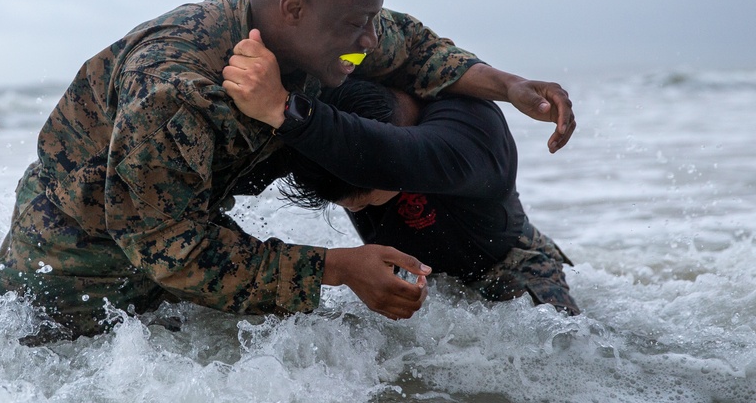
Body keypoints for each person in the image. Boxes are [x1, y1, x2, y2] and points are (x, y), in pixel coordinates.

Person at [0, 0, 576, 340]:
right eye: (357, 25)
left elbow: (412, 48)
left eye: (370, 21)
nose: (368, 40)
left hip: (168, 274)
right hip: (69, 291)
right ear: (292, 7)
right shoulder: (174, 89)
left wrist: (508, 86)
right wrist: (338, 267)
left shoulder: (319, 30)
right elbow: (169, 244)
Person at [224, 71, 579, 315]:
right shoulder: (344, 111)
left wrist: (282, 108)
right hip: (428, 279)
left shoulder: (473, 131)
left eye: (364, 198)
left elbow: (389, 150)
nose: (356, 208)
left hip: (510, 265)